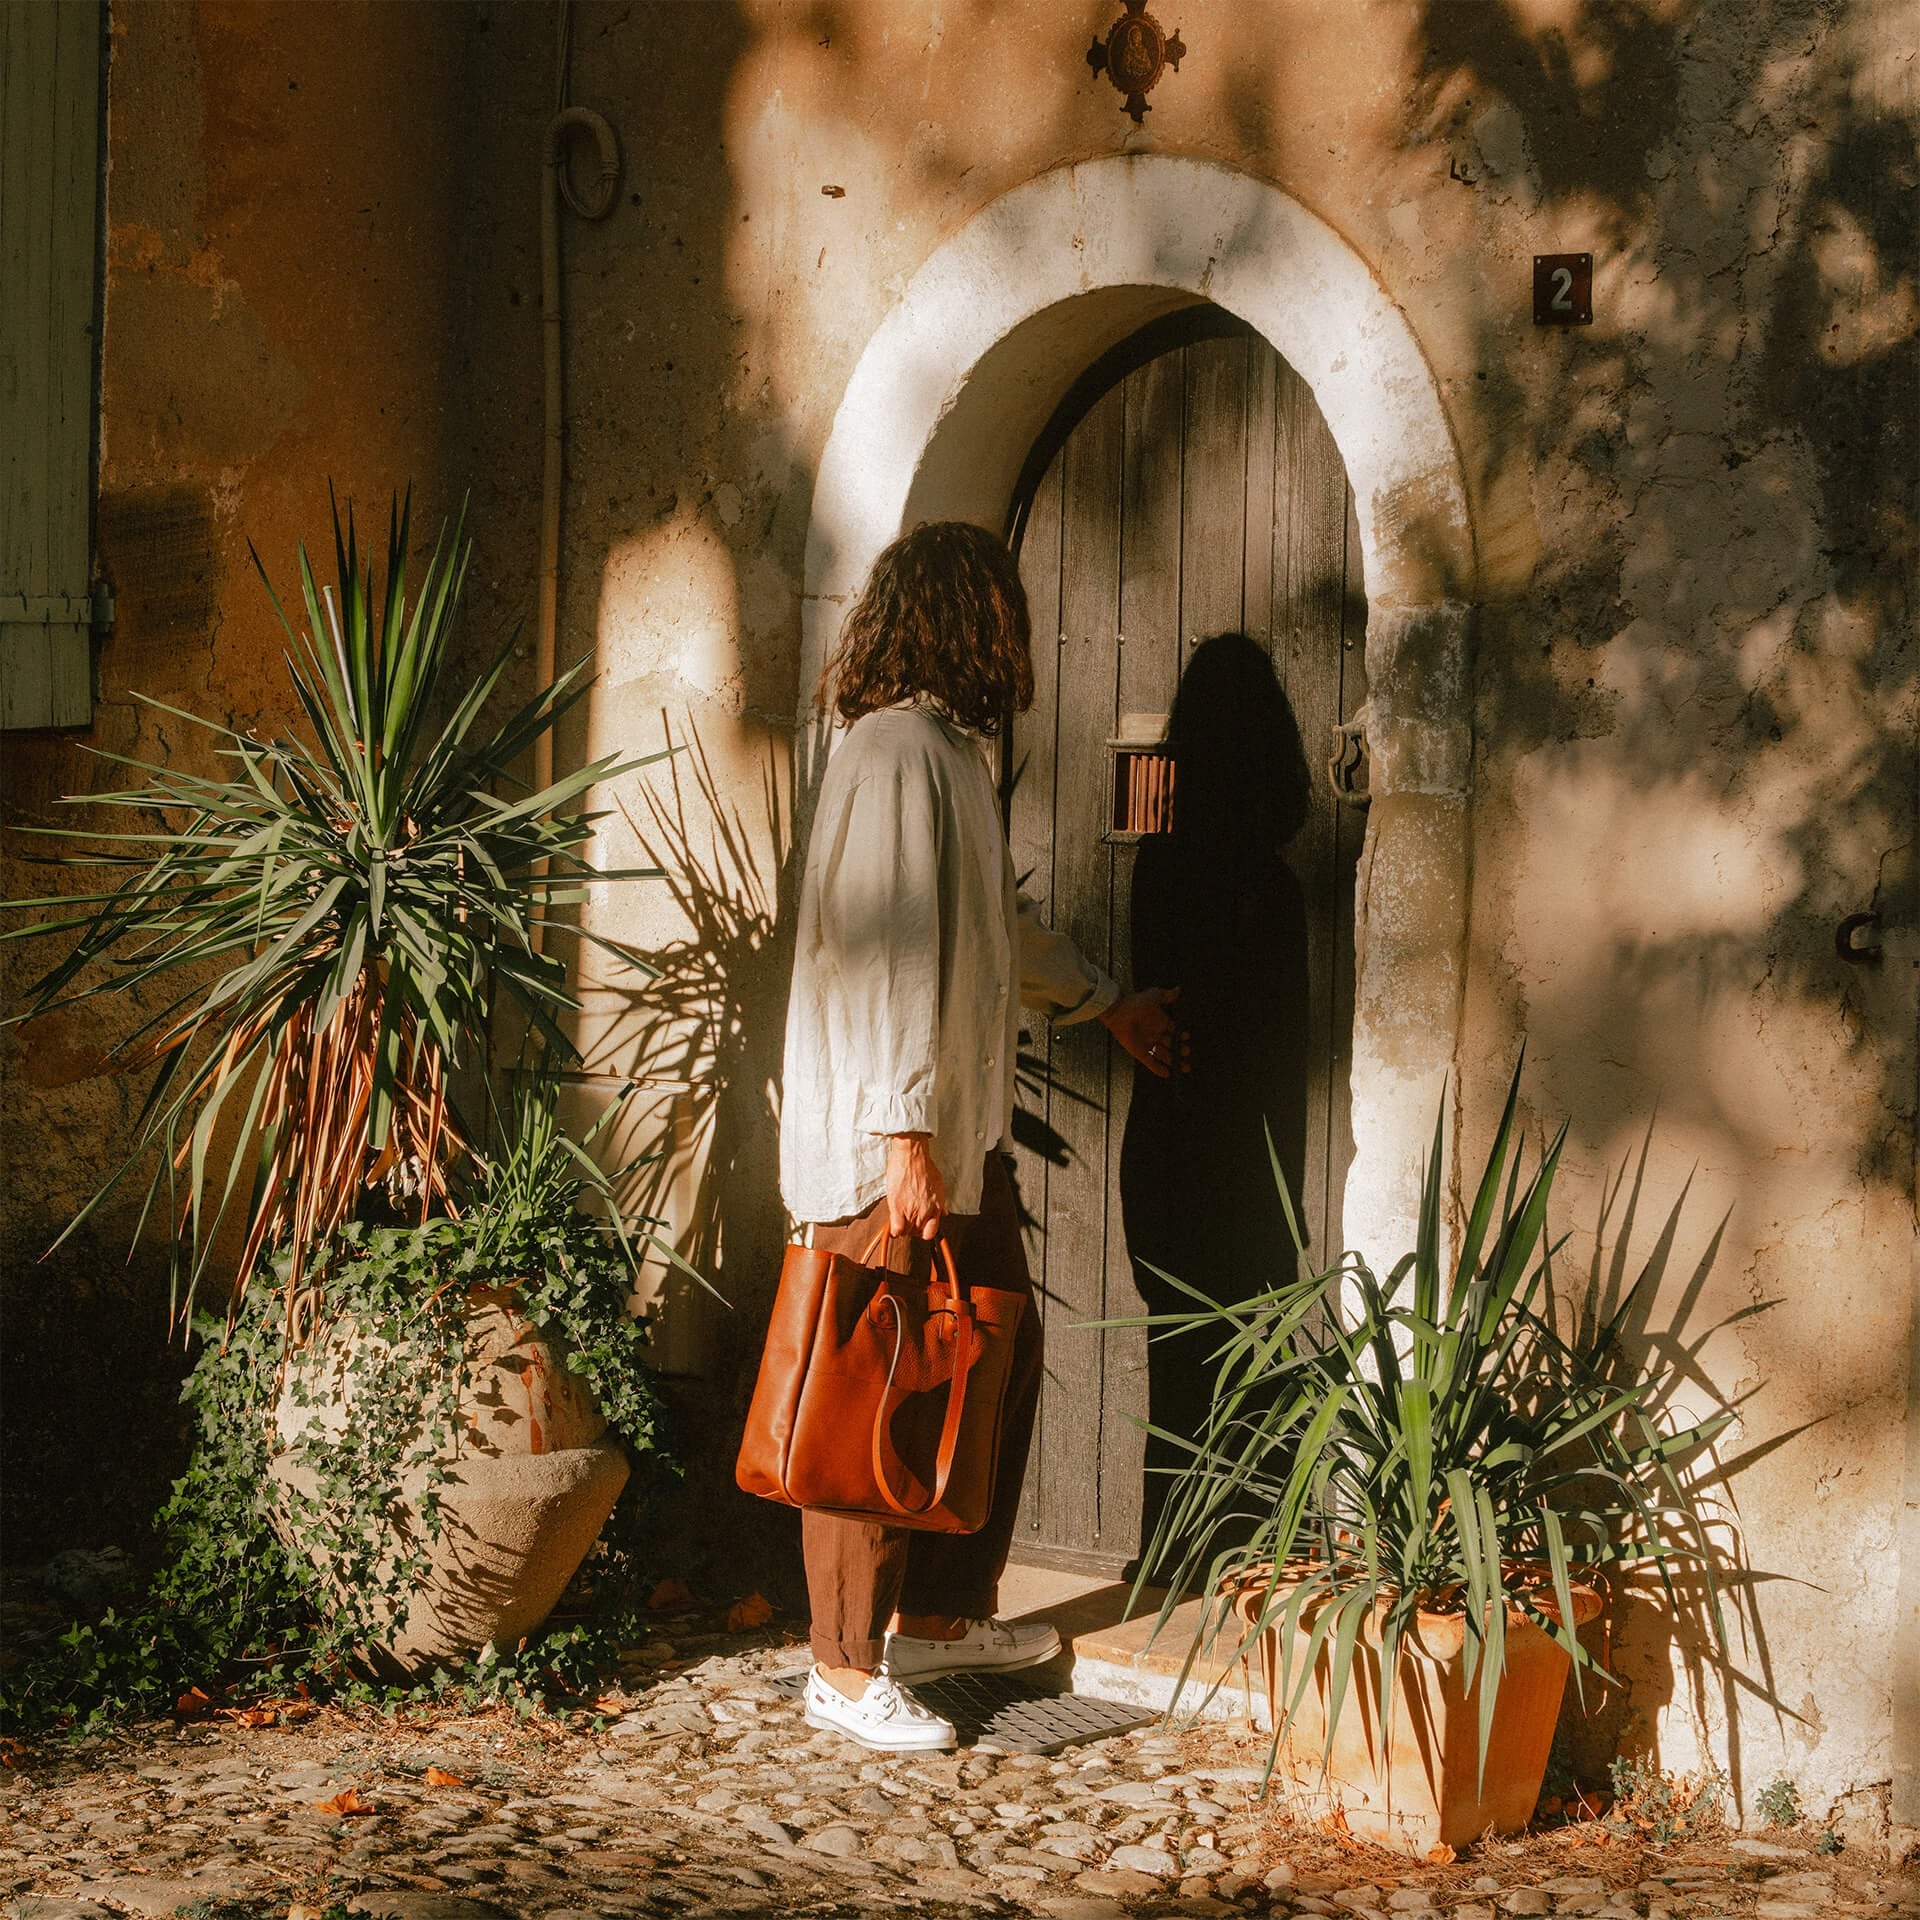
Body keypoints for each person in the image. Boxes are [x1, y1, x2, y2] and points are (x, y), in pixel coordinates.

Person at [779, 519, 1184, 1751]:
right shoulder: (895, 753)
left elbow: (987, 942)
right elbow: (894, 957)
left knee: (991, 1353)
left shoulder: (942, 756)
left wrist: (1103, 998)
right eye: (1001, 610)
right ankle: (842, 1672)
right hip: (888, 1144)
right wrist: (902, 1135)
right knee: (868, 1398)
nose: (1016, 633)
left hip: (950, 1142)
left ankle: (942, 1617)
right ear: (966, 617)